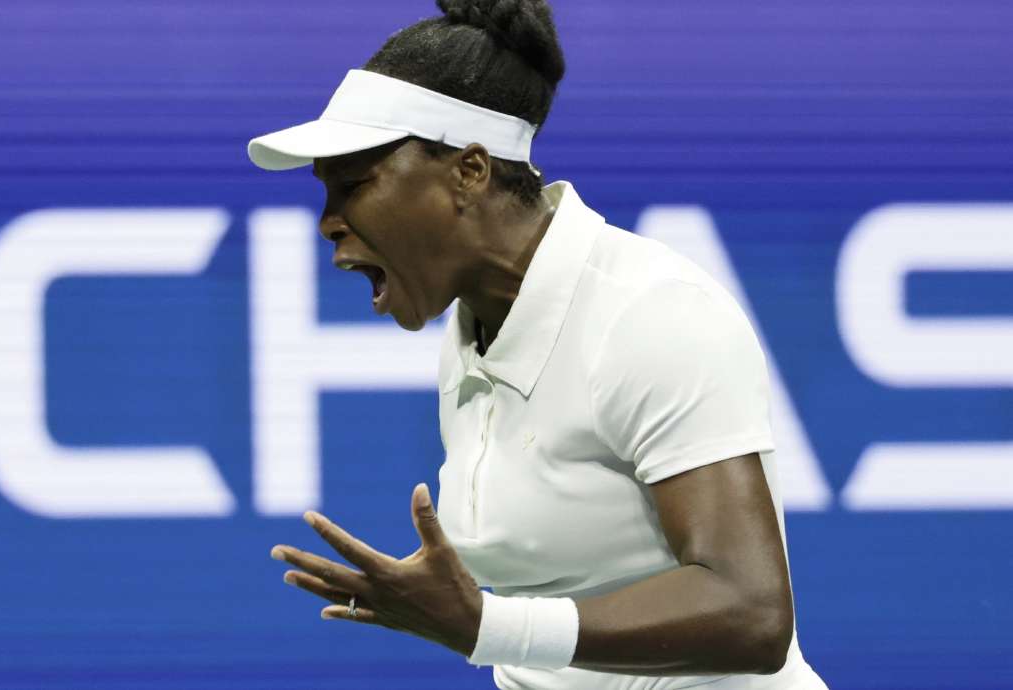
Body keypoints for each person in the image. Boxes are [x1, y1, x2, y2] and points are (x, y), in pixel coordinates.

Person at [253, 1, 829, 688]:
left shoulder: (650, 313)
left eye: (353, 186)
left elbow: (751, 612)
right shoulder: (474, 335)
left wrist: (487, 627)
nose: (328, 224)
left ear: (469, 171)